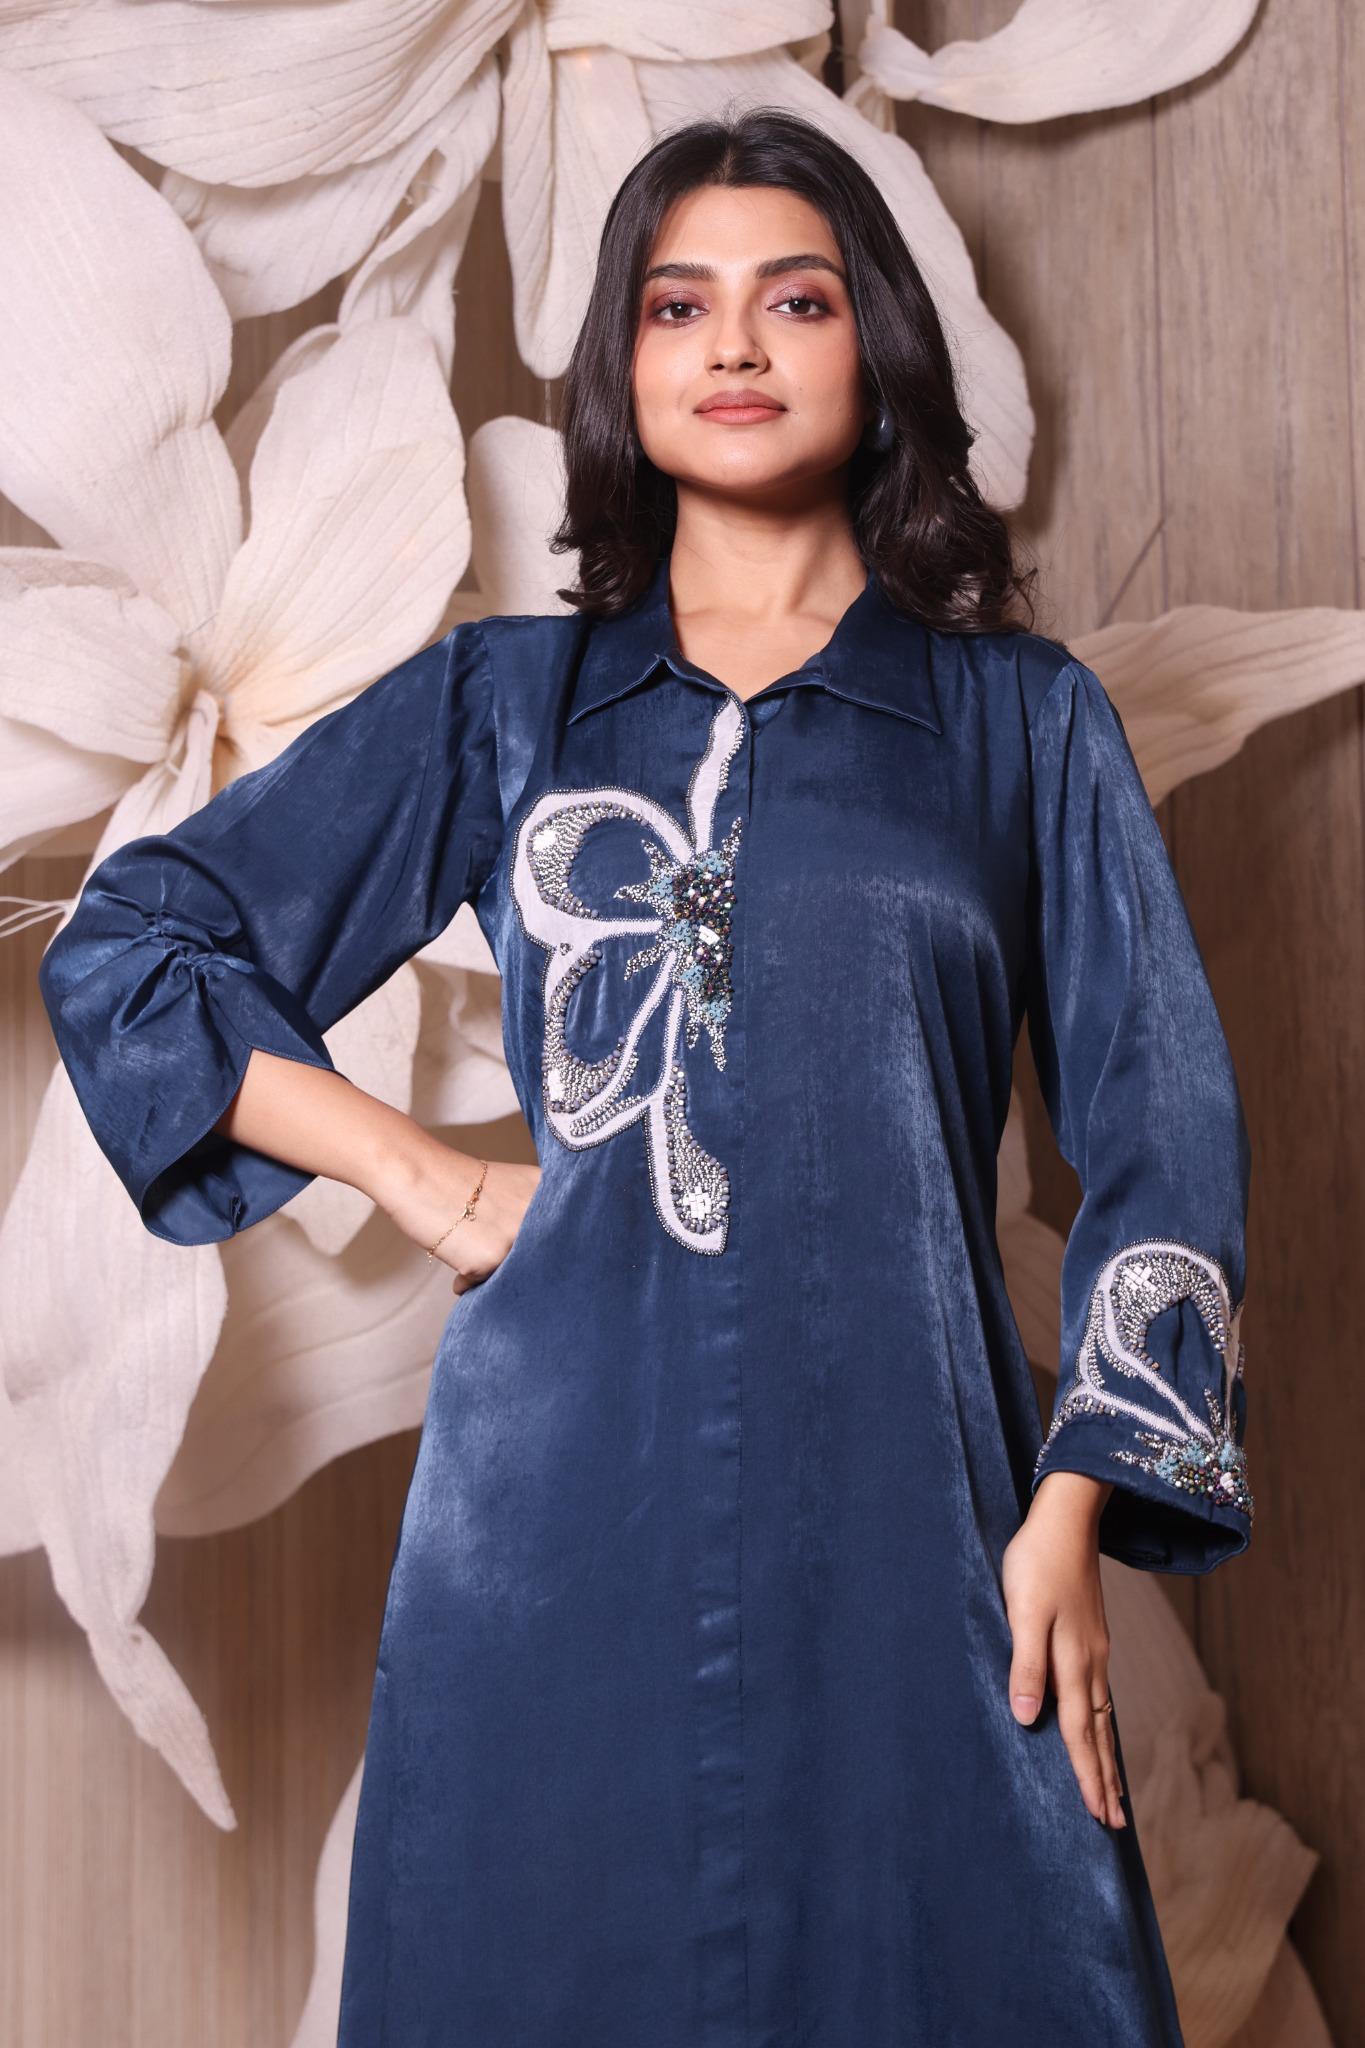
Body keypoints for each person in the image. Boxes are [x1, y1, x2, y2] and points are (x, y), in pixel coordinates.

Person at [38, 106, 1252, 2047]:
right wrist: (428, 1178)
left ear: (878, 356)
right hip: (549, 1535)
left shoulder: (1019, 724)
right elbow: (139, 948)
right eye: (678, 306)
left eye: (795, 300)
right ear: (622, 367)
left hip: (925, 1531)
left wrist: (1073, 1507)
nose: (734, 344)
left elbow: (1160, 1123)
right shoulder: (502, 708)